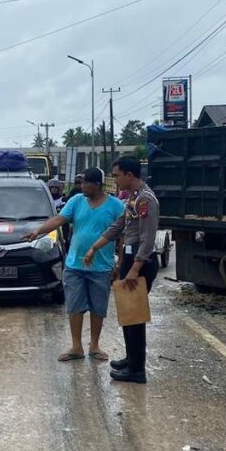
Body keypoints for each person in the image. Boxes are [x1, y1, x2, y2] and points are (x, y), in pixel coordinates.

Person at [24, 168, 124, 363]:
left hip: (101, 266)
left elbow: (122, 235)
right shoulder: (76, 201)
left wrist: (119, 262)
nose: (81, 186)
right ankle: (76, 346)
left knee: (98, 307)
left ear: (97, 184)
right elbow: (59, 220)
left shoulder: (116, 206)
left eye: (85, 183)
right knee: (74, 306)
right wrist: (39, 231)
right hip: (74, 265)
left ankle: (94, 345)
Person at [83, 156, 161, 384]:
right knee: (128, 314)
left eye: (117, 175)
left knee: (134, 317)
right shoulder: (134, 198)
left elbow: (147, 239)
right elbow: (119, 225)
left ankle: (137, 371)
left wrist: (134, 269)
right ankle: (131, 359)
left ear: (129, 175)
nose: (114, 180)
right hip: (129, 258)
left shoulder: (146, 199)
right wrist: (95, 247)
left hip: (140, 261)